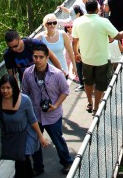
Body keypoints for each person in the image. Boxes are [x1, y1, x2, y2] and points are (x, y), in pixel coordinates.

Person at [72, 0, 123, 114]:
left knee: (88, 82)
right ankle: (96, 107)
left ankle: (89, 102)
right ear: (98, 9)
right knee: (101, 84)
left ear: (86, 9)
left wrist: (76, 53)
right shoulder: (104, 21)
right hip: (102, 59)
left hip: (86, 58)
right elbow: (117, 36)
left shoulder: (77, 22)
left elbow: (74, 41)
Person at [21, 44, 73, 175]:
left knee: (57, 139)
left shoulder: (56, 74)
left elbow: (65, 90)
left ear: (47, 57)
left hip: (53, 115)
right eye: (35, 56)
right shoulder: (27, 73)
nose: (37, 59)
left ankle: (67, 162)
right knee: (34, 142)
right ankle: (38, 167)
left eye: (40, 57)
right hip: (34, 114)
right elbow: (25, 92)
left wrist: (55, 105)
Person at [36, 14, 76, 82]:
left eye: (54, 23)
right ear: (45, 25)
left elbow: (70, 51)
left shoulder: (63, 35)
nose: (52, 25)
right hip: (47, 72)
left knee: (62, 92)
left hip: (62, 70)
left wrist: (74, 66)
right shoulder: (40, 37)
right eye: (49, 23)